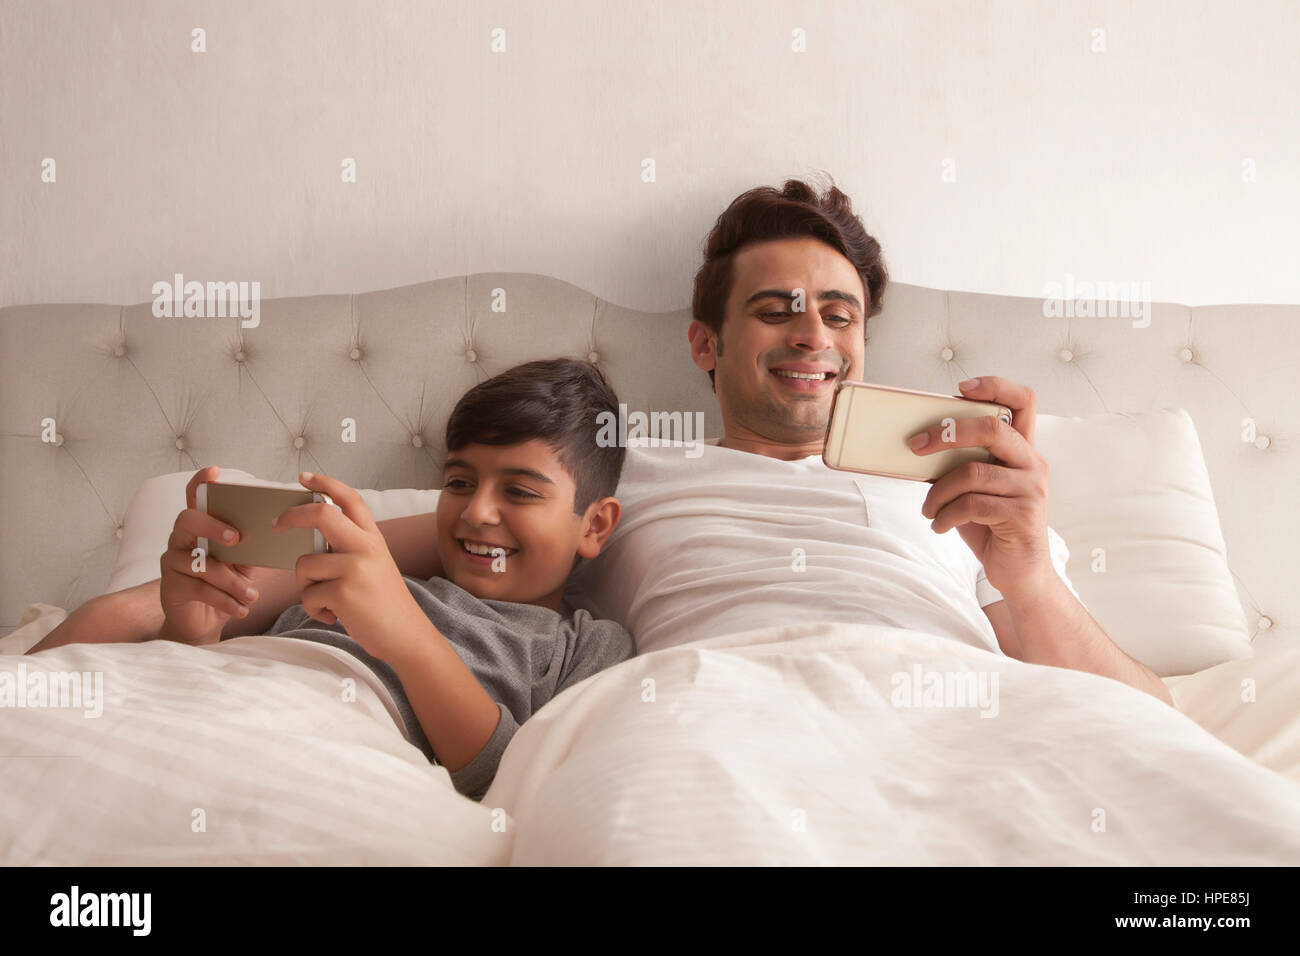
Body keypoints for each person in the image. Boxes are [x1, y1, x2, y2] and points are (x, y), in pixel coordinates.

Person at [35, 175, 1172, 708]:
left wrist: (1020, 564)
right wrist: (129, 613)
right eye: (774, 306)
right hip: (720, 706)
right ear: (704, 342)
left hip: (960, 711)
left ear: (863, 342)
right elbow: (380, 547)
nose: (811, 332)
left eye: (838, 311)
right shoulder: (625, 478)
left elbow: (1151, 716)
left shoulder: (972, 497)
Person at [31, 358, 635, 800]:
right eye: (457, 482)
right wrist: (192, 634)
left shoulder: (582, 645)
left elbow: (514, 781)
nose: (476, 511)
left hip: (322, 755)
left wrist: (400, 630)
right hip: (208, 697)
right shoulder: (356, 576)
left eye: (521, 491)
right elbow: (194, 666)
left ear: (595, 524)